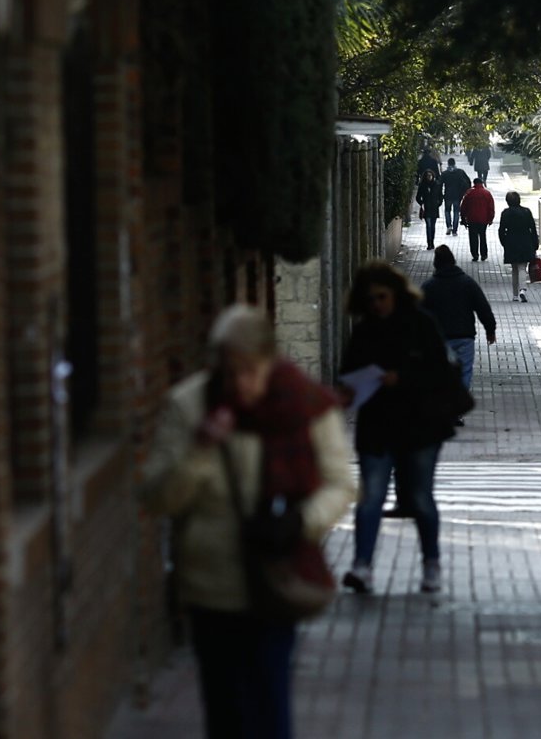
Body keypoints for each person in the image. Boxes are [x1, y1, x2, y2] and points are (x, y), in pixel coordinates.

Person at [140, 305, 354, 738]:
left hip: (276, 575)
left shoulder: (305, 404)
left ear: (270, 361)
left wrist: (301, 521)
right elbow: (157, 497)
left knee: (269, 705)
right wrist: (200, 450)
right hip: (210, 584)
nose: (241, 384)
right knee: (225, 711)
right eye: (230, 372)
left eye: (251, 371)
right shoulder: (189, 406)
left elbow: (341, 484)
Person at [337, 261, 456, 595]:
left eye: (382, 297)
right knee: (370, 497)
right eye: (370, 299)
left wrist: (401, 378)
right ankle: (361, 566)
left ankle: (431, 563)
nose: (377, 304)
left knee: (420, 497)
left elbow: (441, 373)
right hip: (377, 426)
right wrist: (348, 391)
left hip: (420, 426)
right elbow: (349, 371)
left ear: (396, 293)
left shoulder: (421, 324)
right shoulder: (364, 331)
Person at [421, 245, 496, 425]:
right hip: (464, 336)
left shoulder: (429, 286)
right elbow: (482, 307)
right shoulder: (467, 283)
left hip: (438, 339)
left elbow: (418, 313)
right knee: (464, 372)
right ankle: (456, 409)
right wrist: (490, 329)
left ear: (436, 263)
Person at [497, 191, 539, 302]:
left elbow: (501, 230)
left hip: (511, 242)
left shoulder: (506, 213)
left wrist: (504, 243)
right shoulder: (526, 212)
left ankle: (515, 295)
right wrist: (535, 244)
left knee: (514, 268)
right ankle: (522, 290)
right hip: (525, 242)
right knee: (522, 267)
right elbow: (533, 229)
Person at [459, 177, 495, 262]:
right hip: (483, 219)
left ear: (474, 183)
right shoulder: (487, 193)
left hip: (472, 219)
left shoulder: (469, 193)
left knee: (473, 237)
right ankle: (484, 254)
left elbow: (463, 207)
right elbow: (491, 207)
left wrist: (463, 218)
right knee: (483, 236)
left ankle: (475, 254)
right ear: (482, 183)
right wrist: (490, 218)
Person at [440, 157, 471, 237]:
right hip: (457, 195)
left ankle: (449, 226)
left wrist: (440, 195)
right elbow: (468, 182)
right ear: (454, 163)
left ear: (448, 164)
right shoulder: (460, 172)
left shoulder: (445, 173)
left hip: (447, 195)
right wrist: (465, 192)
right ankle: (454, 230)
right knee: (456, 212)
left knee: (447, 211)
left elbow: (439, 184)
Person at [415, 169, 444, 250]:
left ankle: (432, 241)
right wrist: (422, 203)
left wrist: (439, 203)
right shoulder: (422, 185)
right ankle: (429, 243)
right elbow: (418, 197)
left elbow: (440, 195)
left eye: (430, 175)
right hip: (426, 208)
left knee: (433, 226)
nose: (429, 177)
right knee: (429, 225)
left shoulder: (437, 184)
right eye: (427, 176)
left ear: (433, 176)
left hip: (434, 208)